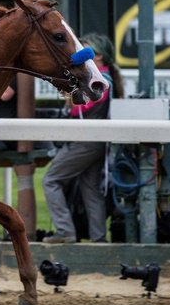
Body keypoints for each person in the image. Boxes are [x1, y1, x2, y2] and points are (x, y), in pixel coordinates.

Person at [42, 33, 124, 243]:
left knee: (51, 180)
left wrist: (69, 93)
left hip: (86, 143)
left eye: (85, 50)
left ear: (98, 57)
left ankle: (65, 231)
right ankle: (98, 239)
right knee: (91, 190)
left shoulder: (102, 80)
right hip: (96, 142)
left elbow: (81, 105)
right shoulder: (105, 78)